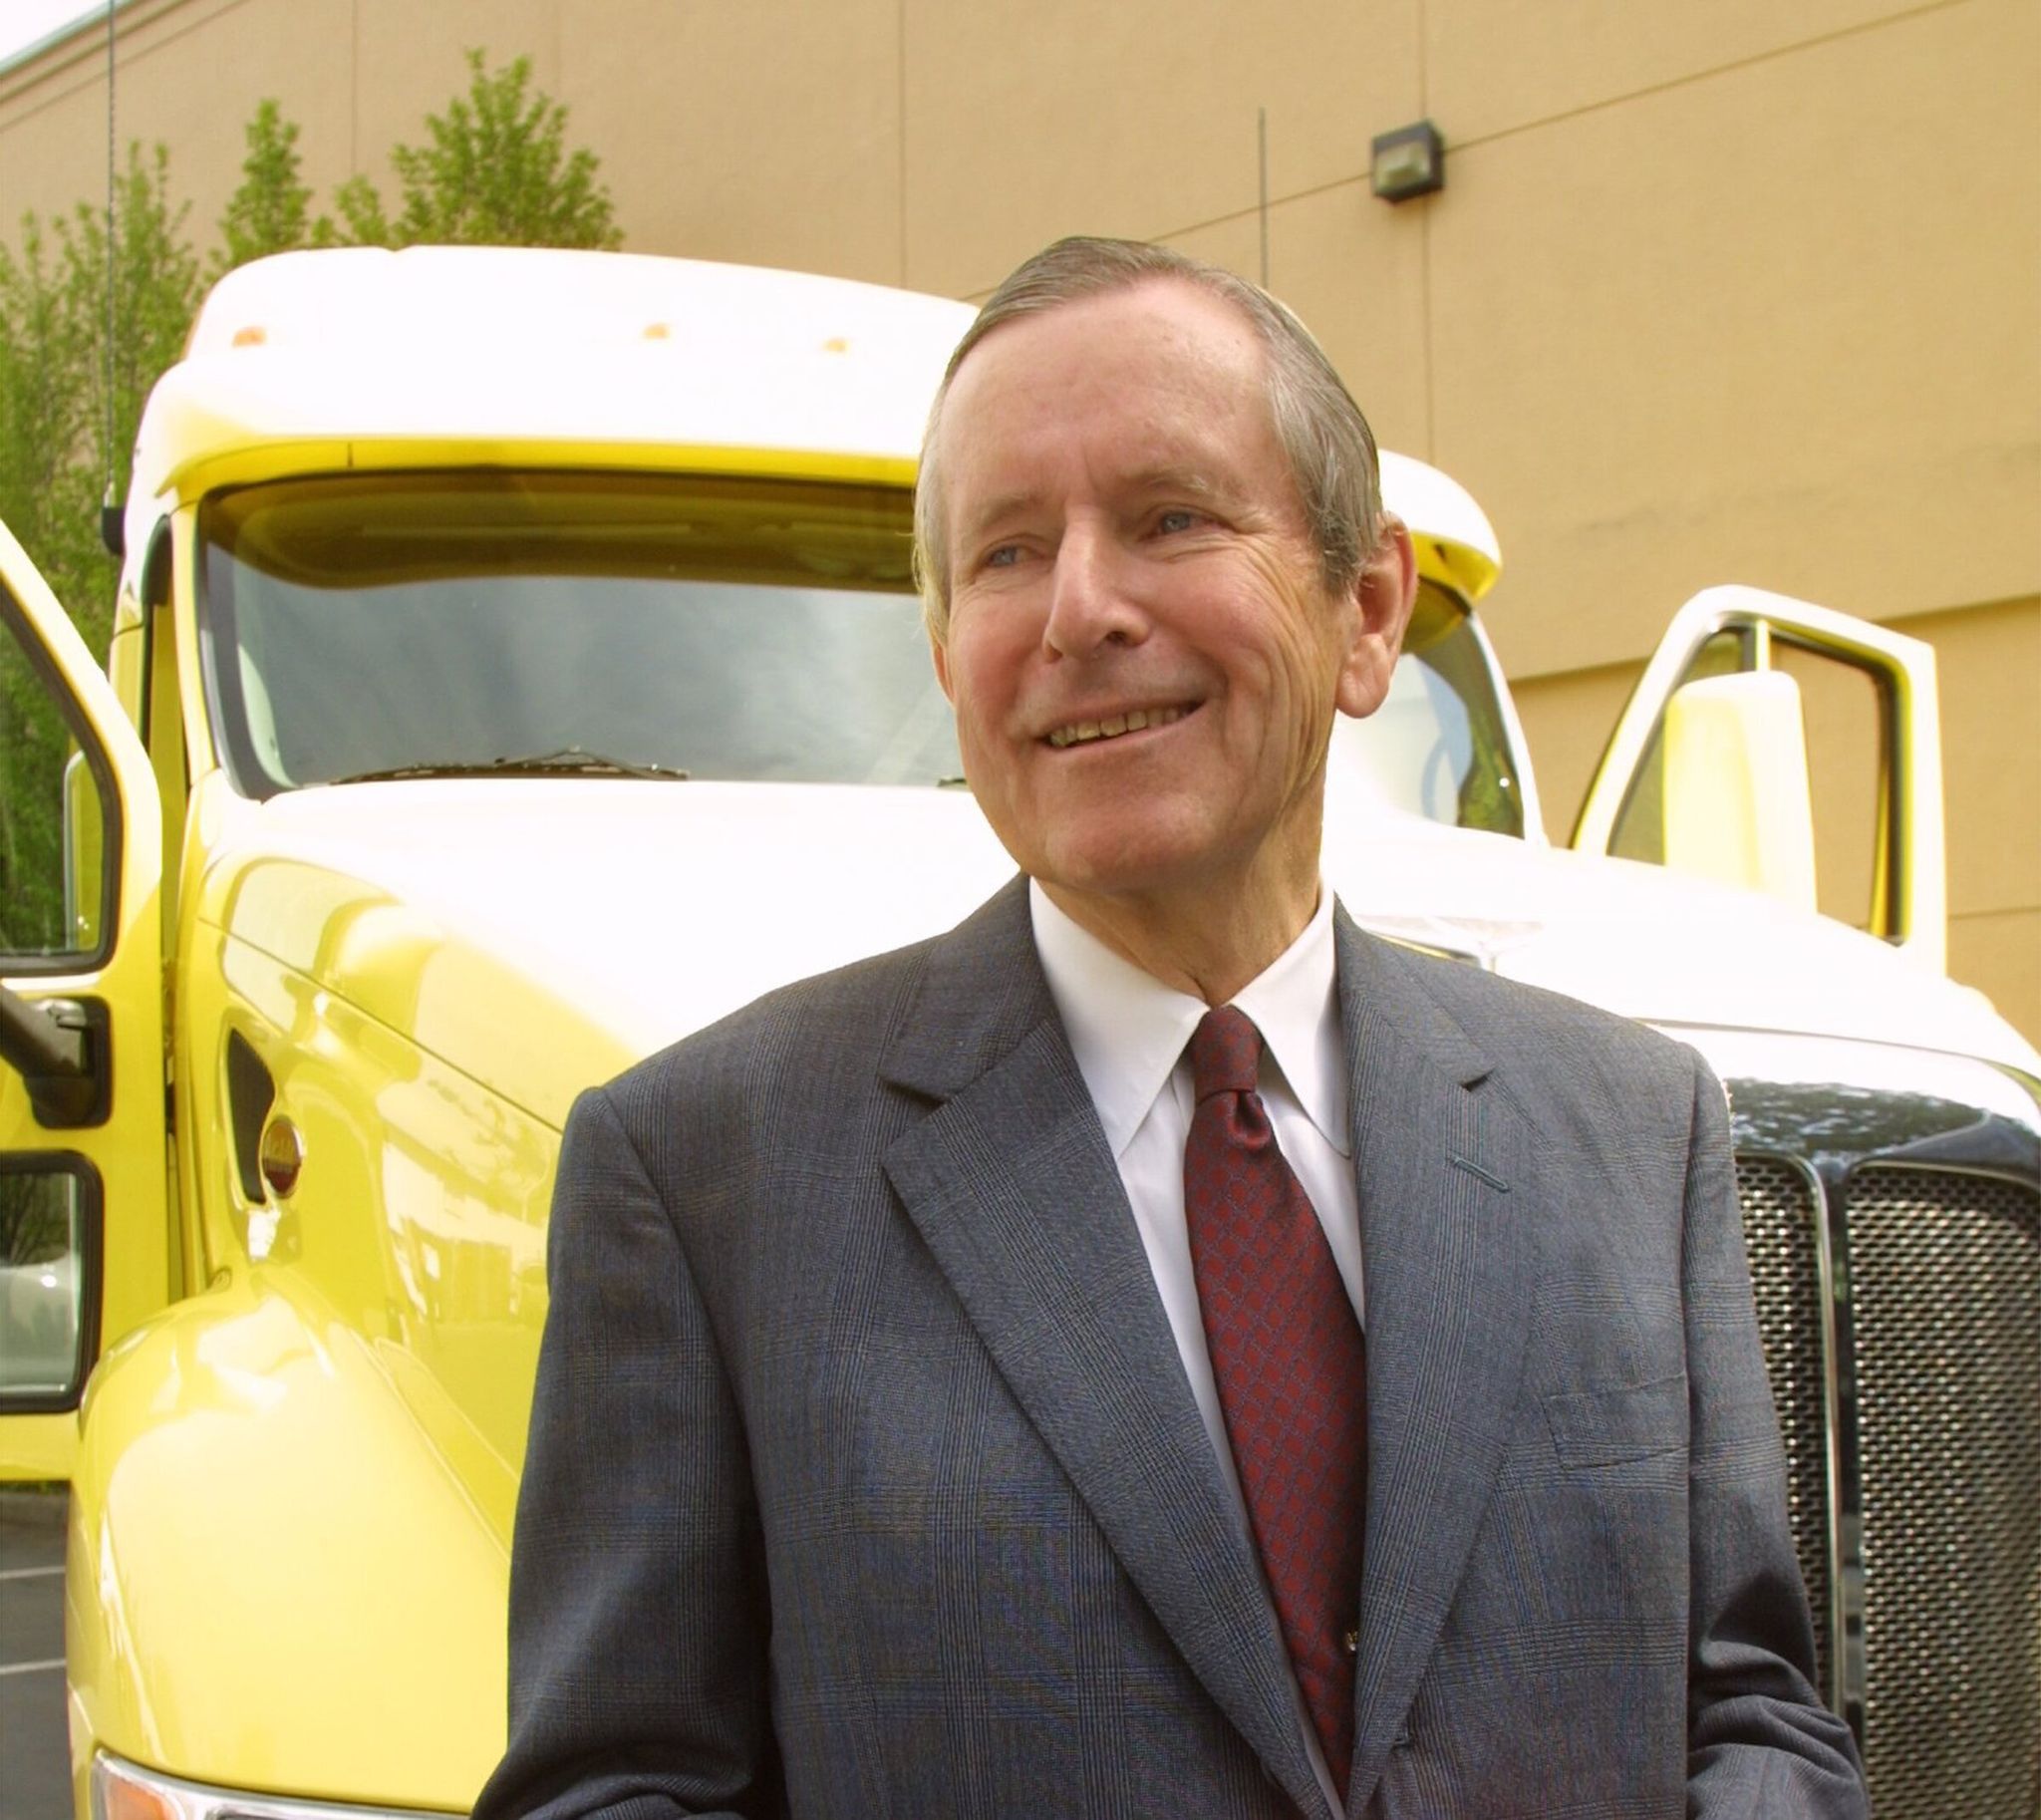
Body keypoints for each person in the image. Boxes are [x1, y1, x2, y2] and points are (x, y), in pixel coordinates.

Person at [476, 236, 1867, 1819]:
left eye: (1169, 518)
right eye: (1004, 553)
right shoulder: (703, 1176)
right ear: (947, 656)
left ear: (1366, 612)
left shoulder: (1633, 1125)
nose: (1079, 608)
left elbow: (1751, 1714)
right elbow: (614, 1791)